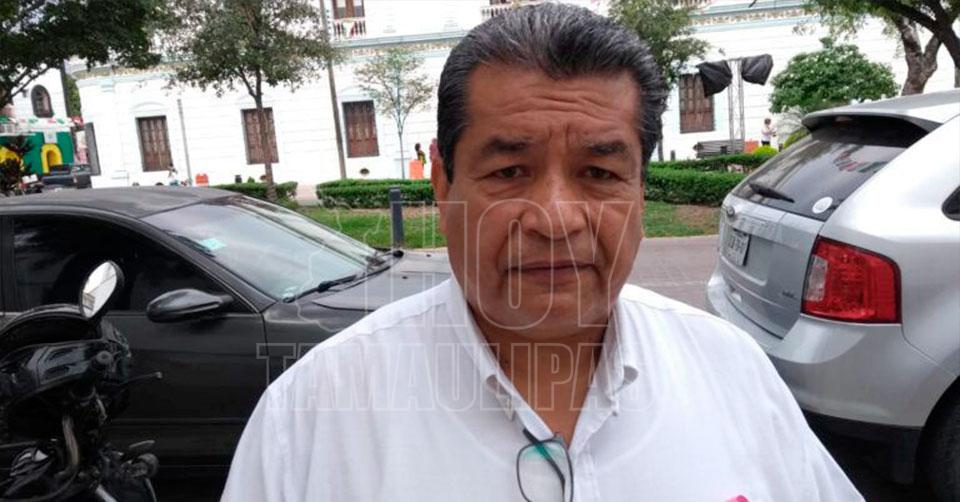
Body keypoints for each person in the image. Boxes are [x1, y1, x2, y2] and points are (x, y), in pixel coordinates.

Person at [222, 5, 862, 501]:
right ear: (443, 183)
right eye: (509, 172)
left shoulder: (732, 373)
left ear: (640, 189)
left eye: (599, 173)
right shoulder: (311, 416)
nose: (555, 219)